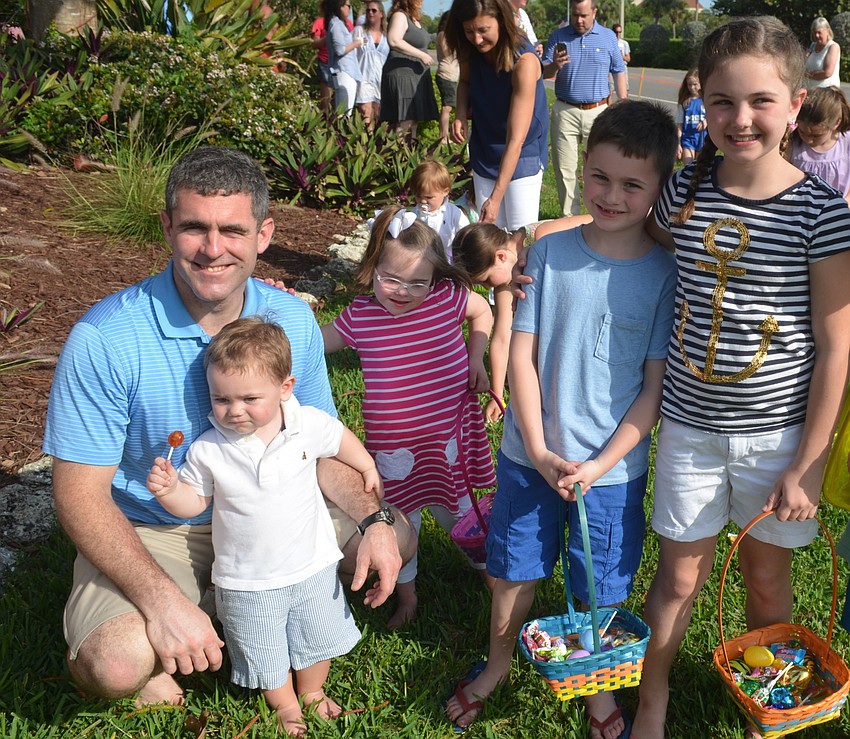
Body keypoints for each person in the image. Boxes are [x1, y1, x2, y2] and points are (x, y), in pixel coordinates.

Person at [44, 146, 413, 706]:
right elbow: (78, 495)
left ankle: (227, 617)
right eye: (195, 227)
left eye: (233, 230)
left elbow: (318, 445)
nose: (213, 249)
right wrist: (160, 600)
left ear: (264, 234)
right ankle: (189, 613)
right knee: (115, 663)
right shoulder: (105, 339)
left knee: (397, 536)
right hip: (160, 528)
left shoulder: (292, 320)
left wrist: (375, 519)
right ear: (167, 227)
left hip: (280, 506)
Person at [631, 18, 850, 739]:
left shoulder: (822, 214)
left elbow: (836, 345)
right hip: (690, 430)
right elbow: (639, 237)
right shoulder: (683, 192)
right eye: (722, 101)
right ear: (702, 101)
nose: (741, 118)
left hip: (777, 439)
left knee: (766, 578)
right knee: (677, 579)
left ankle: (768, 701)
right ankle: (653, 699)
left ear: (796, 104)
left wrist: (808, 463)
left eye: (761, 100)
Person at [446, 99, 679, 737]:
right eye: (599, 177)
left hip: (611, 471)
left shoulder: (665, 274)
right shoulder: (545, 255)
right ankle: (497, 664)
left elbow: (652, 389)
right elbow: (521, 359)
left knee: (598, 587)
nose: (611, 195)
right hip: (529, 457)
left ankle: (597, 690)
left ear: (659, 189)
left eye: (632, 184)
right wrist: (542, 450)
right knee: (512, 572)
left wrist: (599, 465)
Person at [145, 318, 374, 736]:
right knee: (263, 651)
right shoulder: (209, 449)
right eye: (221, 399)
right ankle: (285, 704)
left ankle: (312, 690)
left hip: (312, 564)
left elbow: (339, 438)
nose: (234, 410)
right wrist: (170, 491)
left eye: (250, 398)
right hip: (247, 579)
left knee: (316, 637)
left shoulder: (306, 423)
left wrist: (367, 465)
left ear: (285, 388)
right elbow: (195, 502)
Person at [322, 206, 496, 629]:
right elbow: (313, 342)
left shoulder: (447, 298)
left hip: (446, 446)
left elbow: (483, 312)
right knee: (400, 524)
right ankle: (407, 595)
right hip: (393, 453)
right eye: (391, 279)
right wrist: (281, 315)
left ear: (436, 279)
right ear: (373, 267)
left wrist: (477, 357)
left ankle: (494, 580)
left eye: (418, 283)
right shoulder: (360, 316)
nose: (402, 291)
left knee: (467, 517)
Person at [445, 0, 549, 230]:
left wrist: (495, 198)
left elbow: (516, 139)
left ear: (501, 21)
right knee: (489, 233)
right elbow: (465, 81)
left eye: (483, 30)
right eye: (469, 31)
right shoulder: (469, 49)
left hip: (522, 153)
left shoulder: (525, 62)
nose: (477, 39)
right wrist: (460, 112)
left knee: (519, 234)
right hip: (485, 148)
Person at [543, 0, 626, 217]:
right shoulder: (558, 37)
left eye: (584, 15)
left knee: (602, 168)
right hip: (565, 110)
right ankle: (570, 218)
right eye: (575, 15)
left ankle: (597, 216)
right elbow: (543, 72)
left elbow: (618, 70)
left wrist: (623, 102)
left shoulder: (608, 37)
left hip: (598, 112)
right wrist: (554, 65)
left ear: (594, 12)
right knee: (565, 169)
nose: (578, 20)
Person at [380, 0, 439, 140]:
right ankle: (399, 150)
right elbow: (394, 40)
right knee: (405, 120)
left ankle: (410, 149)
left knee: (413, 120)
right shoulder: (400, 16)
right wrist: (422, 55)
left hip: (415, 76)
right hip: (403, 74)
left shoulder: (415, 19)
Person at [790, 85, 850, 203]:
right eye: (802, 132)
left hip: (839, 207)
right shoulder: (793, 143)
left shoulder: (846, 142)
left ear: (836, 123)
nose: (808, 140)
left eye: (816, 135)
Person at [409, 159, 470, 261]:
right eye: (418, 196)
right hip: (422, 262)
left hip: (447, 260)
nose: (423, 201)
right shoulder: (414, 214)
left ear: (445, 192)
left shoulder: (453, 213)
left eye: (429, 197)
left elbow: (466, 233)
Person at [355, 0, 390, 128]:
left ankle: (376, 140)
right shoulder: (360, 31)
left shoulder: (387, 35)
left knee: (378, 114)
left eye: (374, 10)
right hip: (363, 78)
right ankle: (365, 139)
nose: (370, 13)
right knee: (366, 113)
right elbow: (351, 53)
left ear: (381, 14)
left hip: (381, 80)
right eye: (368, 10)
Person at [326, 0, 364, 115]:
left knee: (345, 110)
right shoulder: (336, 24)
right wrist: (356, 43)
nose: (349, 9)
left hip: (345, 71)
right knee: (344, 112)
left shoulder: (338, 23)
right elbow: (339, 50)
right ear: (340, 6)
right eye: (348, 5)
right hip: (343, 71)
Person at [436, 11, 460, 144]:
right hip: (446, 74)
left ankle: (447, 135)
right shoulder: (443, 35)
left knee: (450, 106)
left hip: (452, 75)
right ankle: (443, 136)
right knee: (447, 107)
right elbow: (447, 52)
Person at [675, 68, 706, 165]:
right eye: (689, 85)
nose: (692, 87)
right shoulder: (684, 102)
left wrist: (706, 121)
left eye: (695, 84)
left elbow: (714, 115)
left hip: (703, 139)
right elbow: (679, 124)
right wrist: (678, 143)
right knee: (688, 166)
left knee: (700, 167)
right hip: (688, 139)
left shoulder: (706, 100)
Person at [805, 16, 841, 89]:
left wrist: (807, 74)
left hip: (827, 91)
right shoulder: (812, 45)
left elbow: (827, 73)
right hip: (811, 90)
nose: (816, 35)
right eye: (814, 32)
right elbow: (802, 64)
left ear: (827, 31)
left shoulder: (833, 47)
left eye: (819, 32)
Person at [311, 4, 335, 116]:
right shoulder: (320, 22)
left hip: (341, 64)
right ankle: (324, 121)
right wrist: (327, 37)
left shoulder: (347, 23)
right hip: (325, 62)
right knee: (326, 99)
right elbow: (314, 43)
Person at [607, 22, 630, 102]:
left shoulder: (624, 43)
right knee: (610, 91)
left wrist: (622, 57)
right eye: (616, 32)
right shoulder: (609, 42)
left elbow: (628, 58)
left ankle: (625, 108)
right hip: (611, 68)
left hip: (622, 68)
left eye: (620, 32)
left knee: (624, 92)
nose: (618, 34)